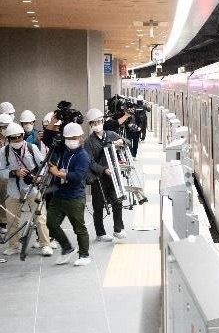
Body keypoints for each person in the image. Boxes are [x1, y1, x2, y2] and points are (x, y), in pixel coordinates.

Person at [43, 119, 91, 266]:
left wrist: (58, 173)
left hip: (74, 197)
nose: (71, 141)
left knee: (79, 227)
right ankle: (67, 248)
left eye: (74, 138)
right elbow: (47, 139)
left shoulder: (83, 156)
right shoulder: (64, 150)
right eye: (68, 138)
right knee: (51, 223)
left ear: (81, 138)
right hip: (59, 195)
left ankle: (84, 255)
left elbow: (78, 177)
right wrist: (53, 120)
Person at [0, 123, 53, 256]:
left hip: (32, 188)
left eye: (18, 138)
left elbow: (44, 165)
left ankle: (45, 244)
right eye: (13, 139)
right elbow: (0, 171)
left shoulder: (31, 147)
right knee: (12, 219)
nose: (16, 141)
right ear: (8, 139)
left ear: (23, 136)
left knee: (40, 217)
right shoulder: (4, 151)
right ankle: (14, 245)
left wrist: (38, 177)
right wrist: (13, 173)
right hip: (13, 190)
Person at [84, 108, 126, 241]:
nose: (96, 124)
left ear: (102, 121)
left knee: (117, 201)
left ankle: (118, 229)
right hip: (98, 177)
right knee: (98, 205)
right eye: (93, 123)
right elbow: (90, 162)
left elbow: (127, 142)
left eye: (98, 122)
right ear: (90, 125)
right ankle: (100, 233)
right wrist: (103, 170)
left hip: (113, 175)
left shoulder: (111, 134)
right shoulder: (89, 142)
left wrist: (122, 142)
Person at [0, 112, 11, 238]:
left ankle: (3, 223)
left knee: (5, 198)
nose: (3, 129)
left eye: (5, 126)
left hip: (7, 173)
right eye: (2, 126)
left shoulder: (11, 139)